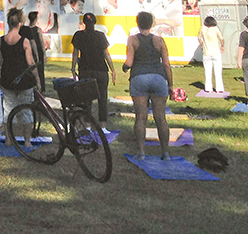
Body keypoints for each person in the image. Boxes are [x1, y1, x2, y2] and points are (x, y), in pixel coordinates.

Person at [125, 11, 173, 160]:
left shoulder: (132, 40)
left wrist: (125, 68)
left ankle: (141, 152)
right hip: (158, 78)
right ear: (151, 24)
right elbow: (166, 64)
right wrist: (170, 84)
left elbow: (129, 62)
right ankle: (165, 153)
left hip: (139, 77)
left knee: (140, 117)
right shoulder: (159, 40)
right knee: (161, 118)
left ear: (137, 23)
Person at [0, 8, 37, 146]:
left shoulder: (1, 41)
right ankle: (27, 141)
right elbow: (31, 63)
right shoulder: (24, 41)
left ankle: (9, 139)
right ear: (20, 23)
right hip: (24, 80)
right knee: (26, 111)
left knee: (8, 111)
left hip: (7, 79)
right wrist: (37, 80)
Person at [71, 12, 116, 128]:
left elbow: (75, 53)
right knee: (102, 99)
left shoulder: (78, 35)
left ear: (84, 23)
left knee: (87, 100)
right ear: (95, 23)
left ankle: (87, 125)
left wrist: (73, 67)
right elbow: (106, 54)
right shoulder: (100, 35)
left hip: (85, 69)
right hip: (101, 70)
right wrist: (112, 69)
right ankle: (103, 126)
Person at [197, 16, 225, 93]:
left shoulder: (202, 28)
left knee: (207, 72)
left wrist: (202, 45)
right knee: (218, 72)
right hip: (216, 52)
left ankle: (208, 89)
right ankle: (219, 89)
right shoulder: (215, 28)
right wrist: (222, 46)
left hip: (206, 53)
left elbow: (199, 38)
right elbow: (221, 38)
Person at [26, 10, 47, 92]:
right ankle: (41, 87)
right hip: (38, 51)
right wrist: (44, 54)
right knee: (40, 70)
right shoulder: (37, 29)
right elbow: (41, 42)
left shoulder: (26, 29)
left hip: (30, 51)